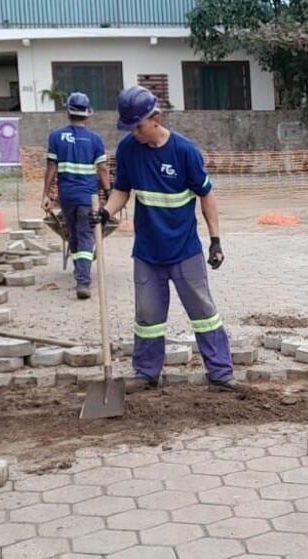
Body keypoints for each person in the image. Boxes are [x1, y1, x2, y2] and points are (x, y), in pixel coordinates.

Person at [90, 85, 241, 392]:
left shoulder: (185, 152)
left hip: (185, 251)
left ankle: (221, 374)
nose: (134, 133)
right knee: (147, 317)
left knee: (203, 313)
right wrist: (106, 212)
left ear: (156, 119)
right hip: (147, 252)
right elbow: (123, 189)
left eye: (139, 126)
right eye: (129, 127)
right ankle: (146, 373)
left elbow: (206, 196)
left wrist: (215, 241)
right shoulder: (128, 149)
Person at [42, 91, 111, 300]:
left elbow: (51, 167)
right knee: (85, 236)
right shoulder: (95, 139)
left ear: (68, 113)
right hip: (88, 198)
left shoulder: (55, 137)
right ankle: (83, 281)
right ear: (87, 114)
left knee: (72, 234)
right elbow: (102, 169)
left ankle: (79, 273)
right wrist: (109, 193)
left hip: (67, 197)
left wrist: (45, 194)